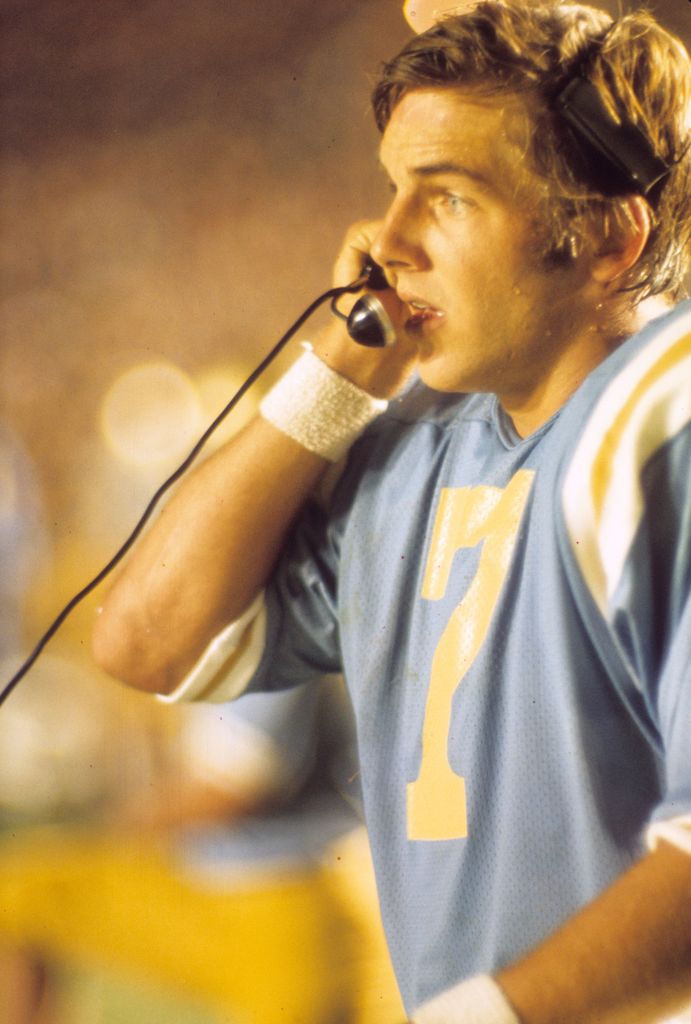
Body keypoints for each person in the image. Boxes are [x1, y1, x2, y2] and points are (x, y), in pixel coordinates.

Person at [91, 2, 691, 1021]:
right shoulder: (422, 440)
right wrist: (336, 373)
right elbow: (146, 640)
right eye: (392, 190)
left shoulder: (661, 415)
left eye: (448, 197)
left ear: (606, 238)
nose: (386, 242)